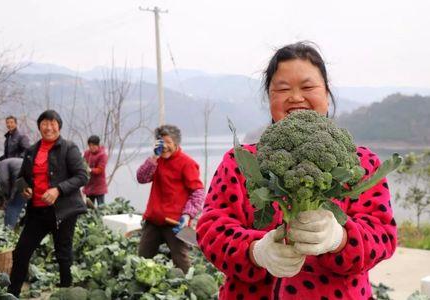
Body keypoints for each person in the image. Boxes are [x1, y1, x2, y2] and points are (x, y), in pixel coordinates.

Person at [196, 42, 397, 299]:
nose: (296, 97)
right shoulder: (241, 162)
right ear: (269, 97)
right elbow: (211, 229)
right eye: (282, 89)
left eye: (308, 86)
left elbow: (383, 234)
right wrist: (255, 251)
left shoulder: (361, 163)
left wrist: (340, 239)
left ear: (327, 92)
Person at [8, 110, 89, 297]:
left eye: (53, 123)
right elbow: (21, 177)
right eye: (45, 123)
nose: (49, 127)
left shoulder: (69, 148)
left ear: (59, 126)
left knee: (63, 254)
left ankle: (65, 292)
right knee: (21, 252)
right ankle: (12, 293)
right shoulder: (31, 151)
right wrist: (24, 187)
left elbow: (82, 176)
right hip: (38, 211)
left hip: (63, 211)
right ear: (39, 127)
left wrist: (58, 189)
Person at [136, 125, 205, 273]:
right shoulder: (157, 160)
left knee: (181, 263)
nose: (165, 147)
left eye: (168, 142)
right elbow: (141, 178)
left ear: (176, 143)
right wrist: (153, 157)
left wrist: (187, 215)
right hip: (153, 220)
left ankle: (187, 290)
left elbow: (198, 192)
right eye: (161, 142)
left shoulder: (187, 163)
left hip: (175, 223)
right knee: (143, 258)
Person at [0, 157, 26, 228]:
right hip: (36, 177)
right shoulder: (13, 162)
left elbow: (3, 181)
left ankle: (8, 230)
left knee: (13, 206)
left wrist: (7, 195)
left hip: (22, 179)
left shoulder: (1, 164)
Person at [83, 135, 108, 206]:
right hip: (89, 186)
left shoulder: (102, 155)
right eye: (90, 145)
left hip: (99, 186)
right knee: (89, 208)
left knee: (101, 207)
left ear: (98, 145)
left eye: (93, 145)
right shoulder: (87, 153)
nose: (91, 147)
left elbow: (100, 169)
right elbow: (83, 163)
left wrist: (90, 170)